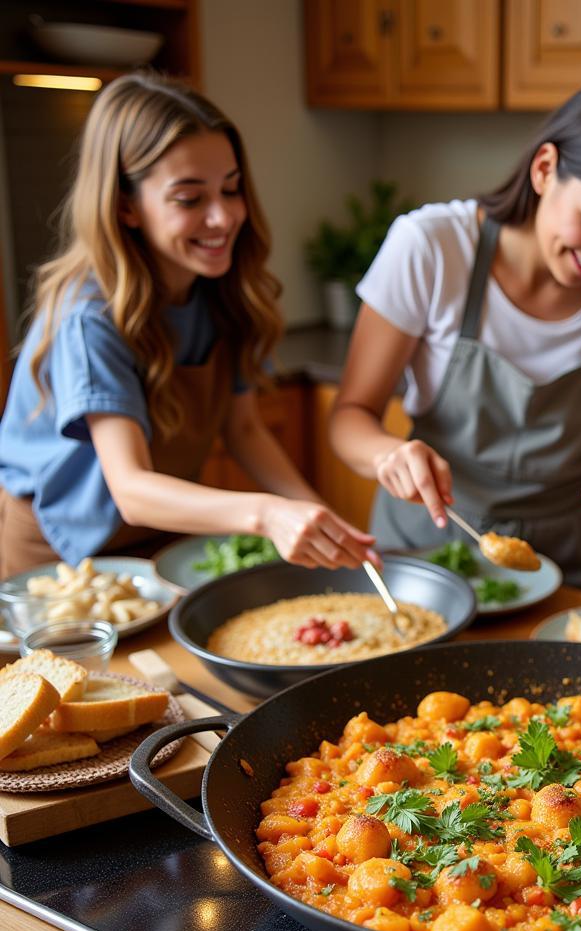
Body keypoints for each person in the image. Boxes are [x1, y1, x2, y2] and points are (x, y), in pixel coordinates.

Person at [328, 75, 581, 594]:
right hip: (428, 553)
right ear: (545, 169)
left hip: (574, 567)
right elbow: (351, 416)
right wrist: (385, 455)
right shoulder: (434, 248)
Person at [0, 72, 375, 578]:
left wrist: (320, 523)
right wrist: (266, 513)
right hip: (59, 558)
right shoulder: (88, 318)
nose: (223, 217)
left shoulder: (222, 292)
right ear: (126, 206)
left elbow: (243, 428)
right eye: (190, 198)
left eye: (232, 188)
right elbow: (131, 489)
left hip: (164, 536)